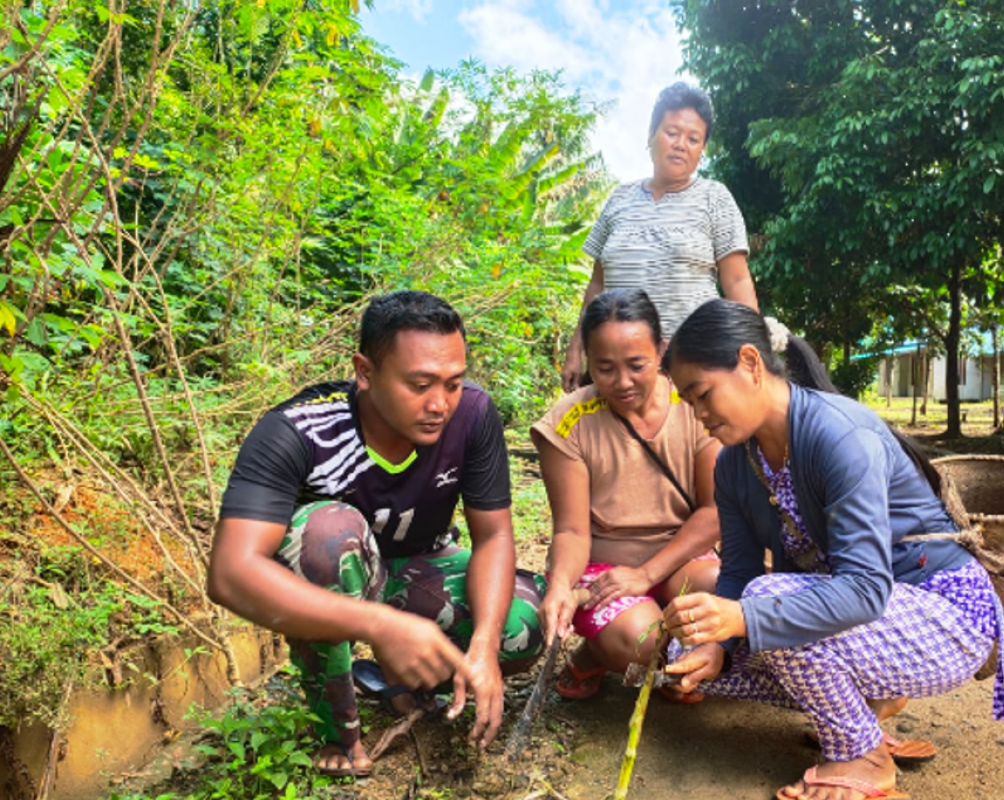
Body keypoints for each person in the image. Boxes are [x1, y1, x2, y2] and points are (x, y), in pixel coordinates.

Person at [659, 299, 1004, 800]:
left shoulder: (839, 436)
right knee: (686, 654)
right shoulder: (734, 465)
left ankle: (860, 753)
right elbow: (736, 568)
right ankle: (870, 696)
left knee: (765, 601)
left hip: (944, 615)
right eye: (688, 403)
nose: (699, 417)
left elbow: (867, 591)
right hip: (867, 619)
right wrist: (716, 644)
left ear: (750, 363)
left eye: (702, 395)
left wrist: (741, 617)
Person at [207, 290, 544, 778]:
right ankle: (337, 730)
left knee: (523, 620)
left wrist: (486, 646)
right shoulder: (297, 431)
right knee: (325, 533)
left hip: (416, 568)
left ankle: (403, 680)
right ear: (365, 372)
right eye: (420, 384)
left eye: (452, 384)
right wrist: (380, 626)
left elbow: (493, 538)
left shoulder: (472, 415)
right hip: (330, 580)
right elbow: (231, 573)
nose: (439, 404)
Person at [534, 289, 720, 700]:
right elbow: (571, 530)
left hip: (680, 559)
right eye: (604, 368)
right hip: (603, 572)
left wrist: (648, 575)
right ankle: (603, 650)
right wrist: (562, 587)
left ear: (661, 351)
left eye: (637, 365)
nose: (622, 383)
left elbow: (713, 511)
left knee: (722, 591)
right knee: (648, 642)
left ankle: (663, 664)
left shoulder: (694, 405)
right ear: (587, 362)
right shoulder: (567, 424)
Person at [560, 82, 758, 392]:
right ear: (651, 134)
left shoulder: (714, 198)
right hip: (618, 374)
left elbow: (737, 283)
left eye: (694, 139)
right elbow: (596, 286)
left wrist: (752, 357)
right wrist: (576, 347)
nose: (681, 144)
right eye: (672, 132)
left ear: (702, 149)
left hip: (694, 371)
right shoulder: (619, 198)